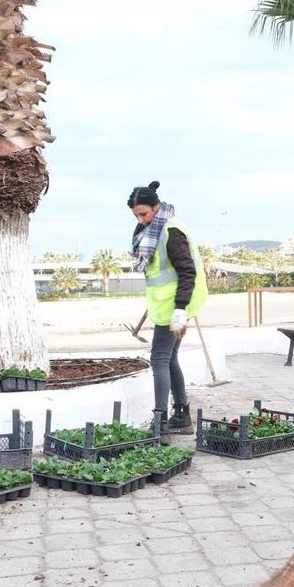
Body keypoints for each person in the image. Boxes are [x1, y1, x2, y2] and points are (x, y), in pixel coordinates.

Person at [127, 181, 208, 442]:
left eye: (144, 214)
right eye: (136, 215)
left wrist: (180, 310)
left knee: (159, 359)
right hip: (168, 304)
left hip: (175, 306)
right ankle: (181, 416)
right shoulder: (155, 228)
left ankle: (160, 424)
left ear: (156, 207)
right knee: (170, 358)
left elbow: (187, 271)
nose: (141, 220)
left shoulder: (170, 232)